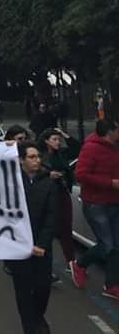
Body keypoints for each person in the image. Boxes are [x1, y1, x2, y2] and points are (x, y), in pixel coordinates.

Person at [5, 141, 56, 334]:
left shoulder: (48, 182)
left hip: (41, 248)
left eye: (38, 157)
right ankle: (31, 327)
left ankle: (37, 316)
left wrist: (42, 244)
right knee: (24, 291)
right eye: (32, 157)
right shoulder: (10, 181)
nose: (37, 161)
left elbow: (52, 216)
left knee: (43, 288)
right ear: (20, 160)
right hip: (18, 247)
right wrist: (4, 148)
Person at [71, 119, 119, 299]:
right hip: (96, 203)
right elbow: (80, 174)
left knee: (116, 246)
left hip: (115, 202)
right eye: (117, 129)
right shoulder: (91, 148)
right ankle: (80, 264)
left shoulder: (115, 147)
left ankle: (112, 285)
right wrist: (110, 183)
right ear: (110, 132)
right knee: (107, 245)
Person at [39, 128, 80, 274]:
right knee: (47, 228)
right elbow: (34, 172)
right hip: (47, 195)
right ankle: (43, 263)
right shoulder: (39, 155)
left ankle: (71, 262)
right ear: (46, 141)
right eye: (54, 139)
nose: (57, 142)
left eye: (58, 139)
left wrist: (64, 134)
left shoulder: (61, 154)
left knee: (66, 228)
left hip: (62, 193)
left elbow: (77, 148)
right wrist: (48, 174)